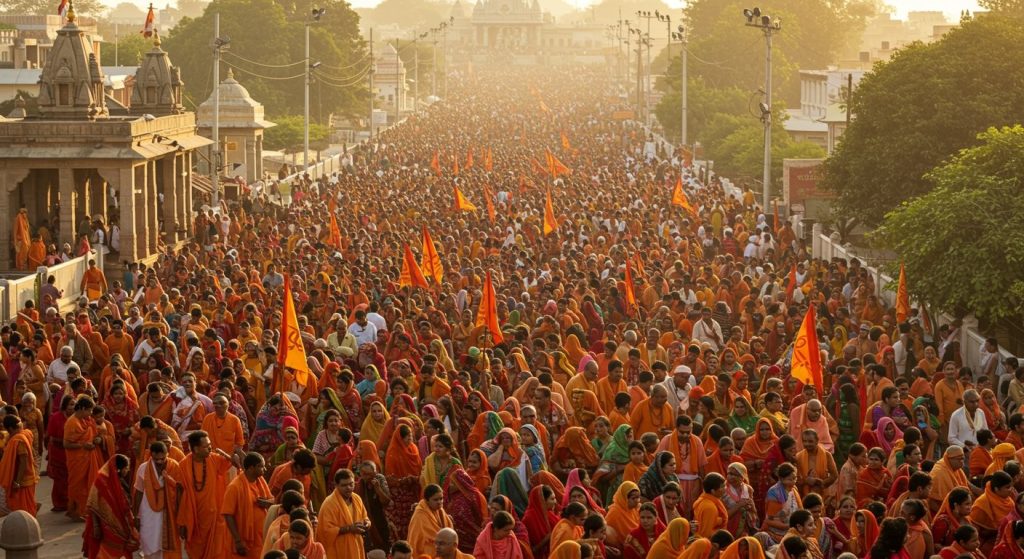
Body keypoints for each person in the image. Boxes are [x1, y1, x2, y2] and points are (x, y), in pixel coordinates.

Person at [176, 430, 235, 559]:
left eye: (210, 444)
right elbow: (180, 494)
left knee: (217, 552)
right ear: (196, 449)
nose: (210, 448)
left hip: (215, 517)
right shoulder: (183, 465)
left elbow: (235, 463)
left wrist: (226, 454)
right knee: (195, 552)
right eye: (206, 446)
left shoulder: (214, 458)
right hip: (194, 519)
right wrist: (181, 521)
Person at [132, 441, 182, 559]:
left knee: (164, 540)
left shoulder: (174, 466)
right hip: (147, 510)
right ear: (151, 456)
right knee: (148, 539)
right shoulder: (143, 468)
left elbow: (180, 489)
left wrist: (168, 479)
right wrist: (135, 515)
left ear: (167, 454)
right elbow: (138, 491)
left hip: (168, 510)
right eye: (156, 459)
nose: (159, 462)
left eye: (162, 458)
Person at [83, 454, 139, 559]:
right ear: (118, 469)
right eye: (126, 468)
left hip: (123, 524)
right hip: (106, 525)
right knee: (109, 551)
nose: (127, 471)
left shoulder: (121, 481)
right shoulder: (101, 482)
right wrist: (96, 526)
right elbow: (93, 505)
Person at [222, 452, 273, 559]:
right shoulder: (235, 487)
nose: (265, 469)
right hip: (243, 540)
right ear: (251, 468)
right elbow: (227, 514)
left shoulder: (260, 481)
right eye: (261, 466)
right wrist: (238, 540)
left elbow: (271, 500)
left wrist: (266, 503)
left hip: (260, 538)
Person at [318, 468, 370, 559]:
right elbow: (326, 530)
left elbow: (364, 516)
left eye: (351, 484)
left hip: (356, 545)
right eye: (344, 485)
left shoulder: (357, 498)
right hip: (339, 549)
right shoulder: (329, 504)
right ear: (336, 485)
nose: (348, 488)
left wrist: (366, 523)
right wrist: (349, 528)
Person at [0, 413, 39, 515]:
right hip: (26, 477)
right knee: (25, 506)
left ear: (10, 429)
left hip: (23, 480)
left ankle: (28, 526)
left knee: (24, 508)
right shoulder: (24, 434)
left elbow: (23, 462)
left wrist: (17, 481)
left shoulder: (18, 440)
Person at [407, 483, 454, 557]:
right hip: (425, 552)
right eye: (435, 499)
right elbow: (420, 542)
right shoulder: (420, 515)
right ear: (427, 500)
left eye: (441, 498)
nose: (439, 502)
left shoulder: (440, 510)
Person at [693, 472, 729, 538]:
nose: (725, 488)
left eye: (725, 485)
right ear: (713, 491)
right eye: (722, 486)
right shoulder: (709, 507)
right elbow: (706, 534)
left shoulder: (703, 499)